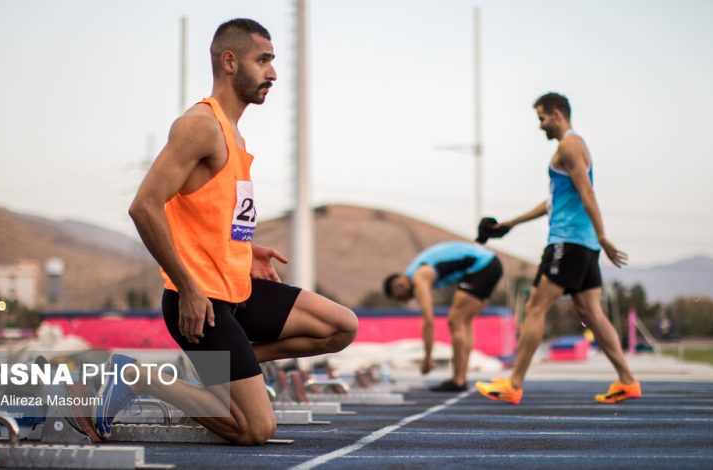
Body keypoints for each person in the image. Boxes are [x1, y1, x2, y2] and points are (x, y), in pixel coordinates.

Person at [94, 18, 358, 445]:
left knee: (340, 327)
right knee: (255, 429)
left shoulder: (233, 132)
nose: (273, 73)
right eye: (264, 60)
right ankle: (139, 376)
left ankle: (232, 373)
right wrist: (188, 288)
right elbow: (144, 206)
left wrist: (248, 247)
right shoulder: (200, 125)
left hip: (238, 288)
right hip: (200, 303)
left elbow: (206, 211)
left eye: (273, 61)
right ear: (230, 62)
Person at [474, 92, 641, 405]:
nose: (540, 126)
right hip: (583, 243)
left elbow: (587, 192)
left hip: (569, 242)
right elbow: (554, 200)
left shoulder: (569, 145)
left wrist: (604, 236)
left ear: (558, 115)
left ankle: (514, 383)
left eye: (542, 118)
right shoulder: (570, 148)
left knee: (535, 308)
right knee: (591, 312)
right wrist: (509, 224)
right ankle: (628, 381)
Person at [383, 241, 503, 392]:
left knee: (455, 320)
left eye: (401, 298)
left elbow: (428, 321)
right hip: (490, 264)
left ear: (401, 285)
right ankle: (461, 377)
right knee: (465, 321)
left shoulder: (418, 278)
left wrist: (427, 359)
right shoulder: (418, 269)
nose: (406, 300)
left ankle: (458, 380)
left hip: (482, 266)